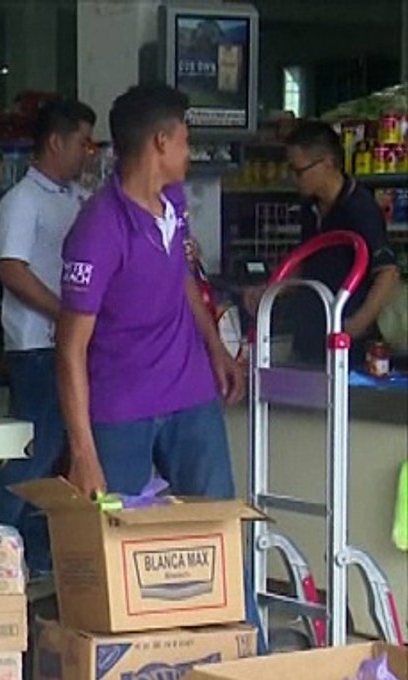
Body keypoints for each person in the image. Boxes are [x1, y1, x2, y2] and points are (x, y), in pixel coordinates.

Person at [57, 83, 244, 501]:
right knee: (113, 536)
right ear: (162, 141)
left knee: (216, 527)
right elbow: (70, 348)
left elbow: (181, 274)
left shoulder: (173, 200)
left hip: (190, 390)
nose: (188, 152)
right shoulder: (97, 231)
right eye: (185, 140)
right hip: (122, 404)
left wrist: (215, 349)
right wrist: (83, 453)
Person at [0, 97, 97, 574]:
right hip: (37, 344)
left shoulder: (73, 198)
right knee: (39, 446)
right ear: (55, 141)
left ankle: (33, 545)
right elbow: (11, 267)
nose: (88, 153)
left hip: (66, 340)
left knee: (56, 452)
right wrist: (66, 312)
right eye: (82, 143)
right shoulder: (22, 200)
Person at [245, 121, 402, 366]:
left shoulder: (359, 208)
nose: (294, 178)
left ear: (328, 163)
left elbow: (388, 273)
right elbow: (303, 259)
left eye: (299, 171)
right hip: (309, 330)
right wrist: (270, 290)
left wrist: (356, 325)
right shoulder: (311, 206)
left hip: (346, 342)